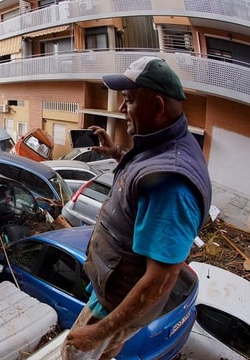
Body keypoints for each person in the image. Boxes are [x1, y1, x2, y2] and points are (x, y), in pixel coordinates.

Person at [63, 56, 212, 359]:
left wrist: (98, 332)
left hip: (113, 304)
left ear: (157, 106)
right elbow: (144, 179)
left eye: (129, 100)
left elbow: (160, 280)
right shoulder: (166, 144)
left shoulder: (172, 185)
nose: (121, 108)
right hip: (113, 290)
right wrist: (117, 153)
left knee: (72, 352)